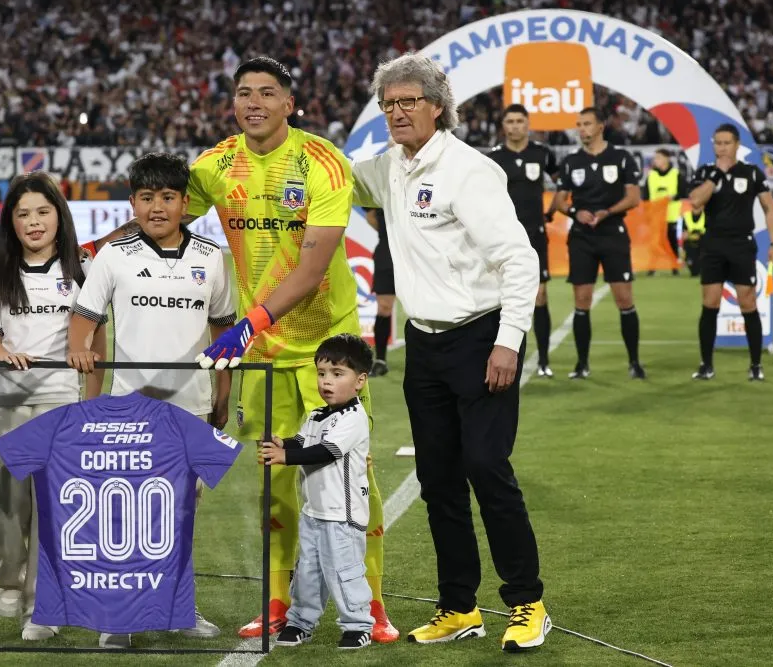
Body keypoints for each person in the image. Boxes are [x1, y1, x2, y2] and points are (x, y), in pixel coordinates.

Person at [188, 56, 397, 643]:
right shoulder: (213, 166)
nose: (254, 102)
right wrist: (91, 247)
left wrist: (246, 323)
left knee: (355, 481)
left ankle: (371, 604)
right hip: (265, 358)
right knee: (277, 482)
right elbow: (161, 214)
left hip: (329, 351)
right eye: (244, 93)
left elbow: (311, 267)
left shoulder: (322, 162)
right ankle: (277, 603)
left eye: (268, 93)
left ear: (289, 103)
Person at [351, 53, 550, 652]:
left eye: (409, 101)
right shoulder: (389, 168)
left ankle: (528, 602)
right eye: (389, 104)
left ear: (438, 106)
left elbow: (520, 260)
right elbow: (333, 176)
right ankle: (459, 605)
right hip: (426, 345)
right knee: (438, 479)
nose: (397, 112)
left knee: (487, 469)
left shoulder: (468, 170)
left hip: (481, 338)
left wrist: (508, 342)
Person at [67, 152, 236, 648]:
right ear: (132, 203)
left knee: (182, 514)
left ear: (186, 203)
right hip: (129, 410)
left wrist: (224, 395)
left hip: (193, 408)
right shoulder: (113, 256)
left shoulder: (210, 258)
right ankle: (117, 618)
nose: (157, 207)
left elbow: (224, 330)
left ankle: (177, 608)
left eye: (167, 197)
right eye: (146, 198)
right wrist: (81, 359)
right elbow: (86, 320)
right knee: (125, 515)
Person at [0, 172, 100, 641]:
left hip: (61, 402)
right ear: (11, 220)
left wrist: (89, 405)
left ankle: (39, 606)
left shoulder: (81, 270)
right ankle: (7, 578)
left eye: (43, 212)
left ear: (59, 216)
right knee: (7, 506)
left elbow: (95, 343)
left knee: (51, 509)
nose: (34, 222)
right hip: (6, 401)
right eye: (23, 213)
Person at [260, 334, 376, 651]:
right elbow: (303, 442)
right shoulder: (316, 415)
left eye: (337, 374)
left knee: (343, 572)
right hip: (313, 513)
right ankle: (301, 621)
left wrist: (285, 457)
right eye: (322, 373)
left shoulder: (354, 419)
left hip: (342, 516)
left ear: (360, 381)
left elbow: (325, 452)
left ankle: (358, 624)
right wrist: (283, 444)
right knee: (308, 572)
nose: (326, 381)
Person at [552, 108, 645, 380]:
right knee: (581, 300)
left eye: (587, 124)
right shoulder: (571, 161)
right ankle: (582, 364)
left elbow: (634, 198)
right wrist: (573, 212)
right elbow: (559, 201)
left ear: (600, 126)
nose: (581, 129)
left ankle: (634, 362)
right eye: (579, 124)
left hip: (613, 233)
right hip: (581, 237)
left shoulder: (621, 158)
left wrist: (607, 212)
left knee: (624, 298)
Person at [687, 123, 773, 381]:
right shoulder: (706, 172)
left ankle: (755, 365)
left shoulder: (751, 173)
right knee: (710, 303)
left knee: (748, 302)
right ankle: (706, 364)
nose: (722, 147)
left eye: (727, 143)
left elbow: (769, 209)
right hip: (713, 243)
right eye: (718, 143)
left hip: (741, 244)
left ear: (737, 145)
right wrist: (717, 174)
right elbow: (695, 202)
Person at [486, 104, 560, 377]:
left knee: (540, 296)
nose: (515, 126)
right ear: (503, 126)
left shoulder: (542, 154)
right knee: (499, 298)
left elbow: (562, 184)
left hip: (535, 236)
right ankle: (500, 355)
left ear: (528, 124)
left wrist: (553, 210)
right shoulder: (493, 158)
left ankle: (542, 361)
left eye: (520, 121)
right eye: (510, 121)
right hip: (501, 238)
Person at [642, 148, 687, 276]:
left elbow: (683, 191)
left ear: (667, 158)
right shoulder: (651, 176)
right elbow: (646, 196)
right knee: (654, 241)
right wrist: (647, 213)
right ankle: (652, 267)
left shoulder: (675, 174)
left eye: (659, 158)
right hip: (655, 215)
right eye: (655, 158)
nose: (656, 161)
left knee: (671, 240)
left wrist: (673, 197)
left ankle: (674, 266)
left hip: (671, 214)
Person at [365, 208, 394, 376]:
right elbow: (370, 214)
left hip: (416, 251)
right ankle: (380, 360)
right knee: (384, 307)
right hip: (387, 252)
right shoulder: (382, 184)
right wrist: (387, 232)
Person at [681, 204, 705, 277]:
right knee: (694, 272)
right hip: (690, 246)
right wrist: (695, 236)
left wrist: (691, 235)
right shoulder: (686, 216)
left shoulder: (707, 216)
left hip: (702, 246)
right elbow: (684, 236)